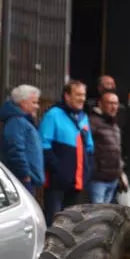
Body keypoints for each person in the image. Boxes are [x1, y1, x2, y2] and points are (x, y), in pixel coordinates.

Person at [40, 80, 94, 224]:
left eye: (83, 95)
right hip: (56, 183)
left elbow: (89, 148)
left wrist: (87, 172)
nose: (82, 98)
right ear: (67, 96)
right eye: (78, 95)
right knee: (54, 222)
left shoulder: (84, 118)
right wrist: (58, 169)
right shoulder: (53, 115)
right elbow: (44, 145)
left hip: (77, 183)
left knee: (72, 224)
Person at [0, 84, 44, 195]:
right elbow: (15, 149)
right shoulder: (16, 122)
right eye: (34, 102)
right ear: (23, 102)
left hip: (27, 179)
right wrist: (25, 175)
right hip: (22, 180)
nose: (37, 106)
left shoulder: (22, 121)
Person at [87, 91, 126, 204]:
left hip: (113, 179)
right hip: (98, 179)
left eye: (116, 103)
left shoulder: (114, 125)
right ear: (100, 104)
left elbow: (117, 152)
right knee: (98, 214)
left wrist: (121, 174)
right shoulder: (92, 122)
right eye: (110, 103)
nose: (114, 107)